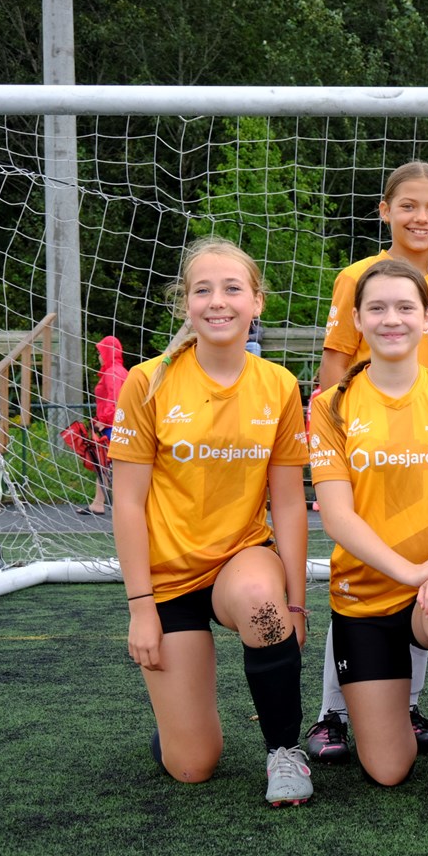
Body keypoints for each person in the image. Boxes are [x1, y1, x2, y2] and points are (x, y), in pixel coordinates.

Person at [110, 237, 312, 806]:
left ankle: (284, 752)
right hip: (168, 580)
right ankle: (178, 726)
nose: (217, 301)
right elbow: (127, 503)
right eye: (202, 290)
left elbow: (288, 503)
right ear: (186, 303)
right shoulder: (147, 382)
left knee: (262, 603)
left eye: (232, 289)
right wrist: (141, 609)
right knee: (193, 765)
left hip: (239, 560)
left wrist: (296, 604)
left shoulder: (278, 384)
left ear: (256, 302)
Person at [309, 259, 428, 810]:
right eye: (377, 308)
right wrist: (413, 572)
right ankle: (386, 715)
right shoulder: (331, 404)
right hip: (365, 598)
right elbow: (337, 517)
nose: (392, 319)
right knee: (388, 770)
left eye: (404, 307)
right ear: (358, 320)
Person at [308, 161, 428, 763]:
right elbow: (334, 369)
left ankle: (409, 704)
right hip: (371, 444)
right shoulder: (357, 277)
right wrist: (338, 436)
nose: (420, 218)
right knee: (365, 568)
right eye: (408, 206)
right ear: (385, 211)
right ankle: (332, 711)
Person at [79, 335, 129, 516]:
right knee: (105, 464)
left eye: (100, 352)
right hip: (117, 423)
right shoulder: (121, 371)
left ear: (107, 352)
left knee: (110, 465)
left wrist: (104, 421)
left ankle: (124, 505)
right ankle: (98, 503)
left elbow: (114, 399)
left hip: (111, 425)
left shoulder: (112, 373)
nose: (99, 356)